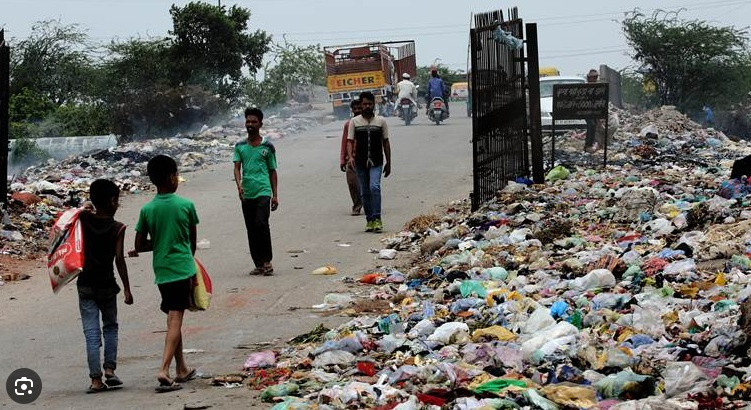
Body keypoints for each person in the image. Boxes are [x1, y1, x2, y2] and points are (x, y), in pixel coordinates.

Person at [130, 154, 199, 392]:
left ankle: (181, 368)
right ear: (172, 177)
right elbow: (192, 243)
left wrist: (158, 244)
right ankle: (164, 369)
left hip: (162, 271)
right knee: (175, 319)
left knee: (173, 317)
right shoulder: (186, 206)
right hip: (182, 268)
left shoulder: (147, 209)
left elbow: (140, 245)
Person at [77, 179, 132, 393]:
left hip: (86, 285)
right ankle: (110, 369)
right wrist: (127, 288)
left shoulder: (83, 220)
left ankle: (95, 380)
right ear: (112, 201)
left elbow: (72, 217)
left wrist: (85, 209)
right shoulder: (118, 228)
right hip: (108, 285)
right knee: (110, 327)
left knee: (91, 332)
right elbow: (119, 259)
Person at [234, 107, 279, 276]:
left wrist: (275, 195)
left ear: (260, 124)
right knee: (251, 228)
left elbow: (273, 171)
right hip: (247, 192)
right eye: (248, 121)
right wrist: (239, 185)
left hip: (263, 190)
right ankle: (258, 263)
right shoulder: (240, 146)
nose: (250, 124)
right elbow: (237, 168)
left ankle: (267, 261)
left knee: (261, 223)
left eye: (254, 121)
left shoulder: (267, 146)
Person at [347, 91, 391, 233]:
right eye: (364, 104)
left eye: (369, 104)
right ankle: (370, 220)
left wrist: (389, 162)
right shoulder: (354, 122)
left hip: (377, 161)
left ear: (374, 105)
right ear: (361, 104)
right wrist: (350, 157)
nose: (367, 106)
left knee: (374, 188)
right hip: (360, 162)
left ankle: (377, 218)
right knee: (364, 192)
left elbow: (385, 142)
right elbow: (349, 141)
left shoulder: (381, 121)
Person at [340, 99, 363, 216]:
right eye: (355, 109)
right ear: (352, 110)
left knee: (367, 184)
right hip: (352, 158)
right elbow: (345, 142)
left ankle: (369, 204)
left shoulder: (368, 122)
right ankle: (357, 205)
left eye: (360, 108)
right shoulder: (348, 125)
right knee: (352, 183)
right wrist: (343, 160)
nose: (358, 111)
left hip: (366, 158)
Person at [585, 69, 599, 151]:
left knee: (594, 124)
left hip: (593, 111)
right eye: (592, 77)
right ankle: (588, 144)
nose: (594, 79)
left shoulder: (598, 88)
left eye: (595, 77)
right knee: (591, 124)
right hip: (586, 111)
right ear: (588, 78)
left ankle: (591, 143)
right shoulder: (585, 88)